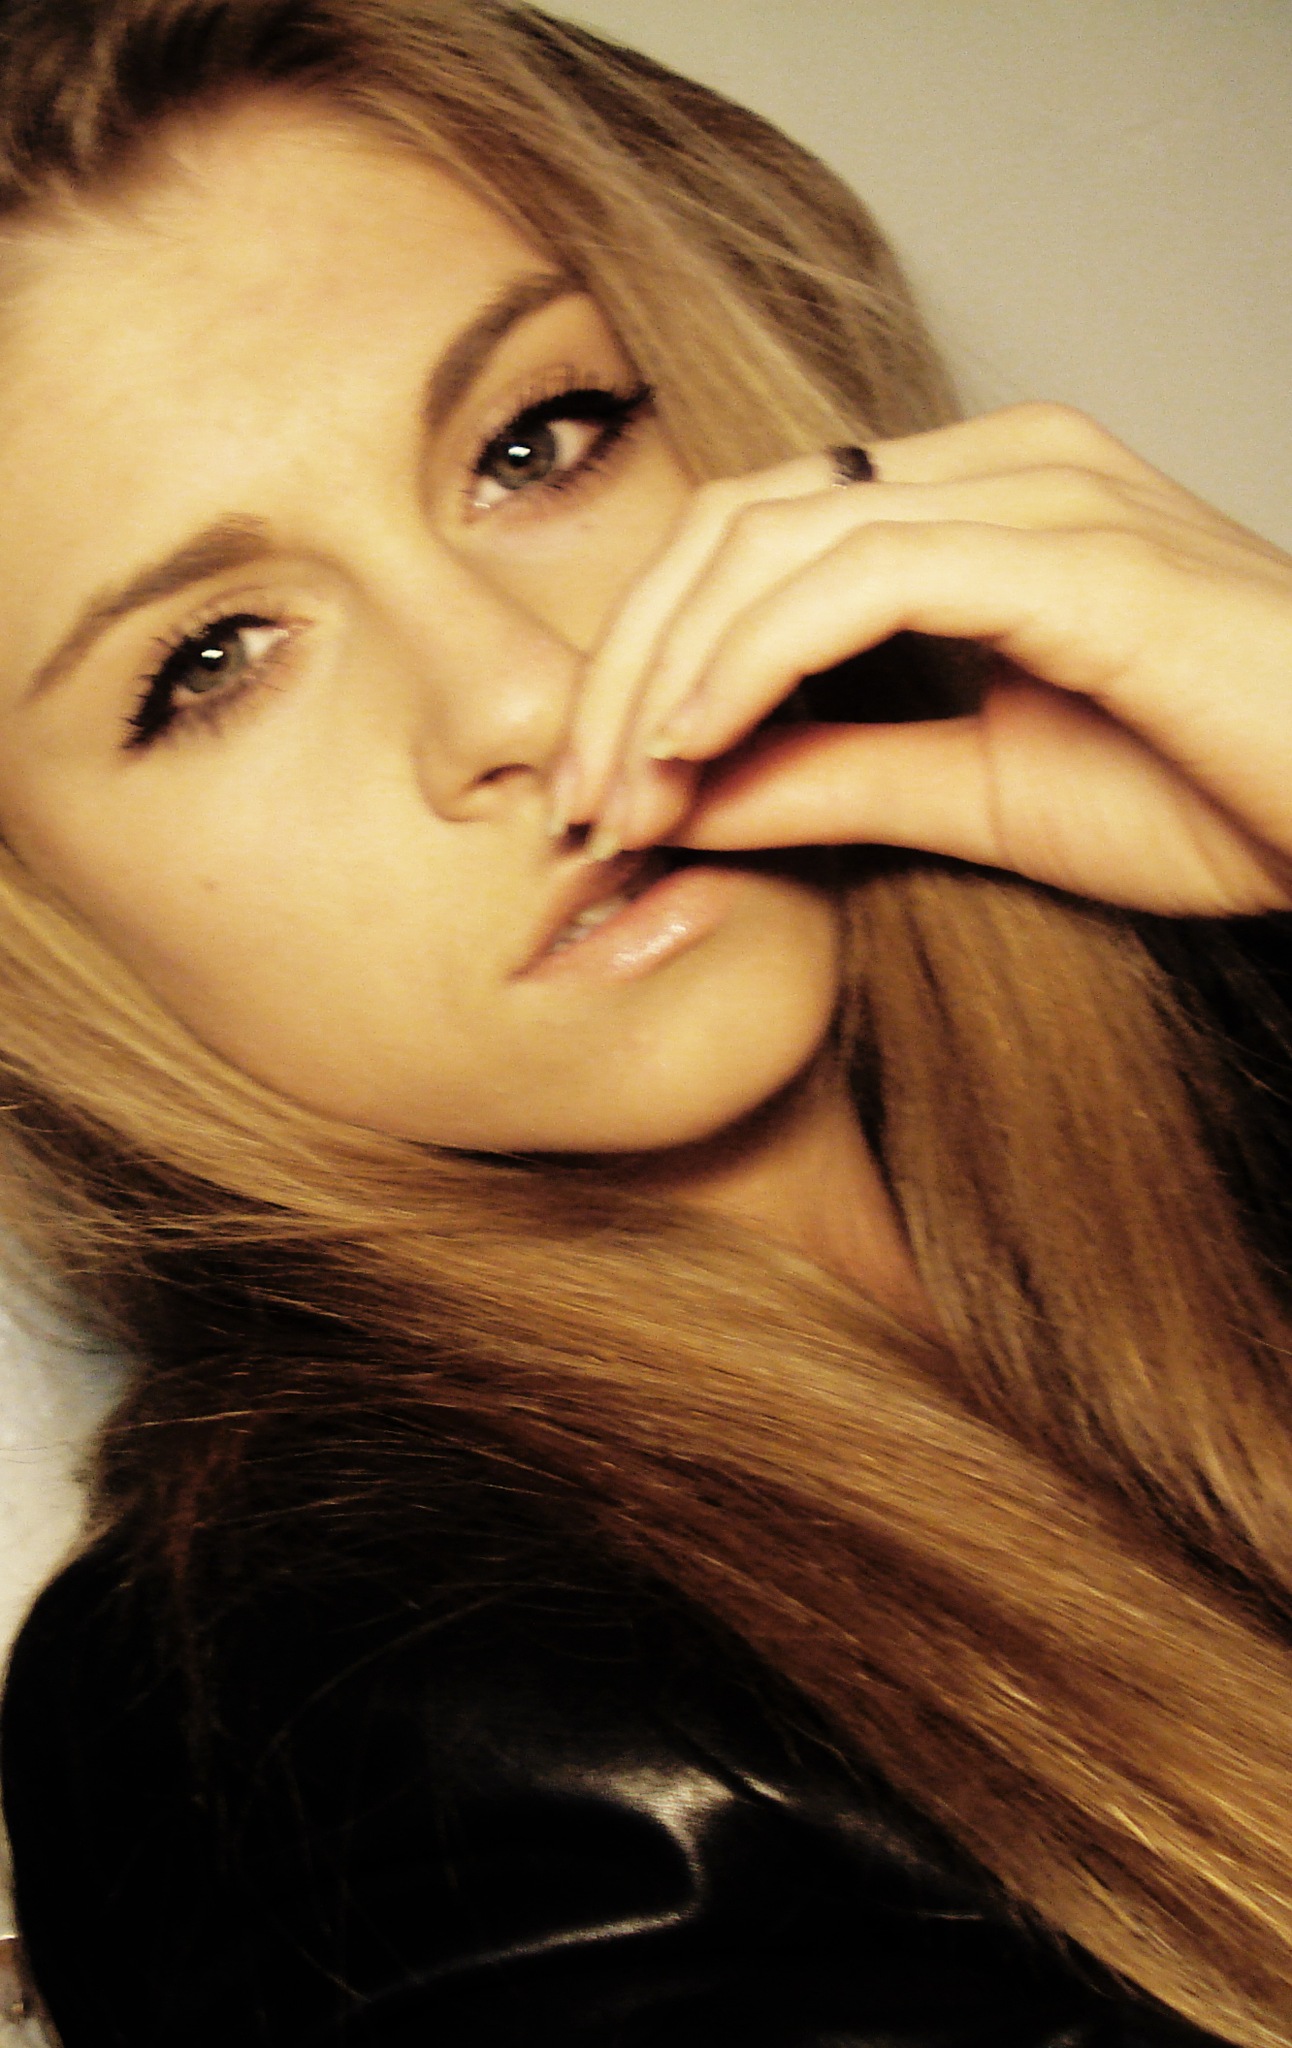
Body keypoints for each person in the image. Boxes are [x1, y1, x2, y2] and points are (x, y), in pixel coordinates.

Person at [0, 0, 1289, 2041]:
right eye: (212, 659)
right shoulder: (333, 1730)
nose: (520, 694)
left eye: (539, 442)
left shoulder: (1240, 1045)